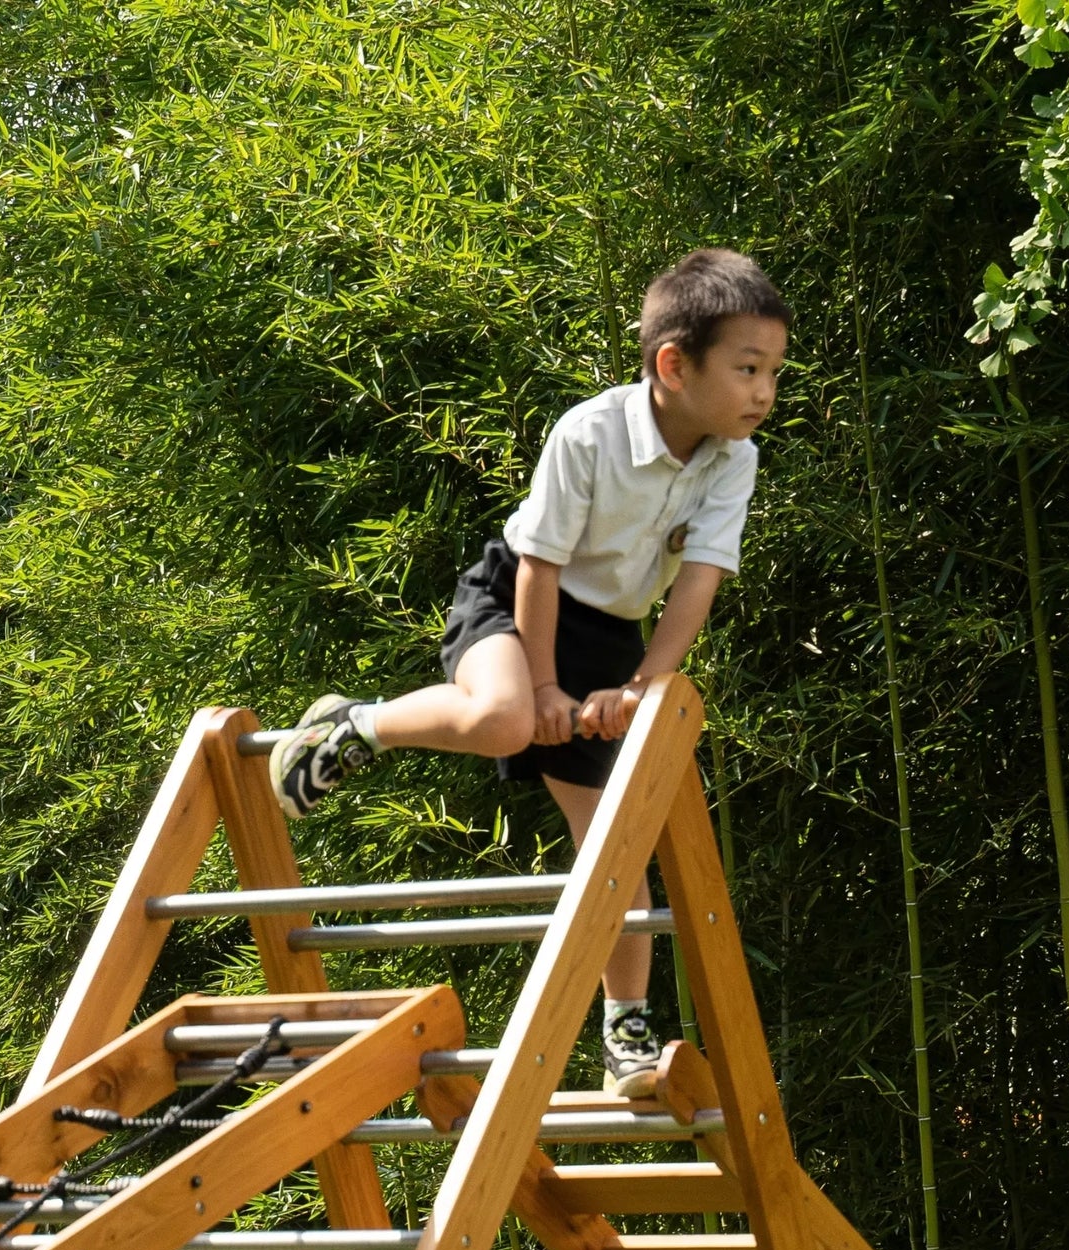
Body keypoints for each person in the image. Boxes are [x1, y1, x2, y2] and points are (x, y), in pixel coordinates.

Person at [268, 247, 788, 1098]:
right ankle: (357, 724)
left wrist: (647, 685)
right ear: (673, 364)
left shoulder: (733, 461)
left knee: (617, 844)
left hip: (615, 634)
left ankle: (625, 1032)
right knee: (506, 717)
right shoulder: (590, 432)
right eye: (747, 369)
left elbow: (699, 580)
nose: (764, 392)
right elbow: (539, 567)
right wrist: (545, 687)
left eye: (772, 371)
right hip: (514, 601)